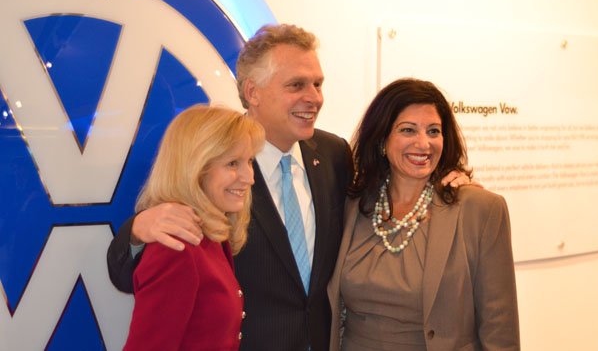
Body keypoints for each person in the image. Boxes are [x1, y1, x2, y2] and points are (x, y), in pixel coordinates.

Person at [108, 24, 472, 351]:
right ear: (253, 91)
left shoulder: (333, 154)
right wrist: (139, 230)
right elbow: (130, 273)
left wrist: (444, 180)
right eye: (296, 85)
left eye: (318, 84)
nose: (314, 97)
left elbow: (384, 203)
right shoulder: (216, 165)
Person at [327, 78, 520, 351]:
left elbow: (500, 328)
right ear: (382, 139)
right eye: (408, 130)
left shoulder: (480, 209)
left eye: (433, 131)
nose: (423, 144)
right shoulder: (352, 204)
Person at [123, 104, 265, 350]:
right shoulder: (176, 247)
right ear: (195, 168)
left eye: (249, 161)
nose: (249, 177)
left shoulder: (211, 234)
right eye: (232, 163)